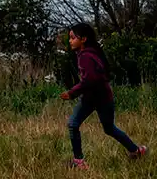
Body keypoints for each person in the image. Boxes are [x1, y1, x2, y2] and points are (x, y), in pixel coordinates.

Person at [61, 23, 147, 170]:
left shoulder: (86, 56)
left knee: (78, 125)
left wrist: (72, 92)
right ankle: (136, 151)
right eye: (70, 38)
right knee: (103, 128)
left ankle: (79, 162)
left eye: (73, 38)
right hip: (98, 98)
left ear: (83, 39)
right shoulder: (90, 53)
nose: (70, 41)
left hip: (97, 99)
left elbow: (90, 80)